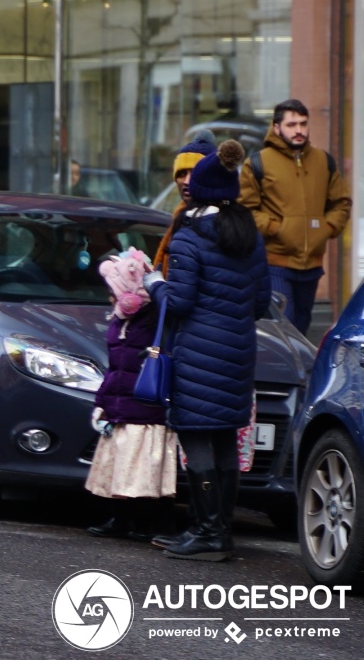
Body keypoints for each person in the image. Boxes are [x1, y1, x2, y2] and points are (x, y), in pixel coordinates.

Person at [143, 139, 271, 561]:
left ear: (198, 190)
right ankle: (222, 532)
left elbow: (178, 302)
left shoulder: (189, 237)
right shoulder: (249, 235)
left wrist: (154, 285)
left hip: (198, 350)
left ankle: (206, 533)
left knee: (197, 439)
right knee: (223, 442)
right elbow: (260, 303)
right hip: (238, 351)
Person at [85, 248, 178, 542]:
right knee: (119, 467)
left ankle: (149, 521)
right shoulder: (119, 320)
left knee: (142, 469)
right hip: (119, 407)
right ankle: (121, 518)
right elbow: (114, 367)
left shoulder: (154, 320)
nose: (111, 299)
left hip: (145, 408)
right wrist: (102, 402)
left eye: (115, 292)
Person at [239, 99, 351, 335]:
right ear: (277, 127)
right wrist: (276, 228)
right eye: (291, 124)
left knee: (300, 328)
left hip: (312, 264)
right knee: (285, 327)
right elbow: (244, 210)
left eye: (303, 123)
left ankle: (300, 373)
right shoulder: (258, 163)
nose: (299, 130)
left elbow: (341, 203)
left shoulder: (323, 161)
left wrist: (327, 229)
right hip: (275, 263)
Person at [151, 131, 216, 273]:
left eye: (194, 174)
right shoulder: (180, 216)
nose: (186, 181)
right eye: (181, 174)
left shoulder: (220, 223)